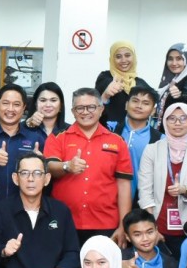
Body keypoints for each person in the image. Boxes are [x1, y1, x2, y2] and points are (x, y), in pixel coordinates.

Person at [46, 87, 133, 245]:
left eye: (91, 107)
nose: (85, 112)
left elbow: (124, 185)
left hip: (105, 223)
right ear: (73, 111)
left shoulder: (117, 142)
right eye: (80, 108)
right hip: (64, 221)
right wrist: (67, 166)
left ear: (101, 109)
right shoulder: (58, 137)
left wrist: (123, 225)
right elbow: (49, 166)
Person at [138, 103, 187, 256]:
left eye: (183, 118)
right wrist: (151, 227)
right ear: (165, 121)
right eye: (172, 118)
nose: (177, 123)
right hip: (157, 222)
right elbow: (144, 190)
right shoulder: (152, 150)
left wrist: (184, 190)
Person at [0, 84, 46, 208]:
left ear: (24, 108)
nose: (10, 109)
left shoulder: (36, 139)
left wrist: (40, 164)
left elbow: (46, 178)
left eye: (16, 104)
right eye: (5, 103)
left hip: (24, 210)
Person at [113, 85, 162, 200]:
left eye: (145, 103)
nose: (139, 106)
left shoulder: (160, 140)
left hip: (141, 201)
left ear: (153, 110)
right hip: (108, 199)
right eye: (135, 101)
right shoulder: (110, 129)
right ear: (126, 105)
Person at [95, 41, 150, 128]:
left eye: (127, 55)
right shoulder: (105, 78)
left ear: (134, 57)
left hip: (133, 132)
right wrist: (105, 95)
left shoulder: (141, 83)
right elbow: (94, 106)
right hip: (107, 130)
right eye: (118, 56)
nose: (123, 60)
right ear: (112, 59)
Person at [157, 43, 187, 114]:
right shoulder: (171, 80)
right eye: (170, 59)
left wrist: (179, 96)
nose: (174, 63)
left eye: (179, 59)